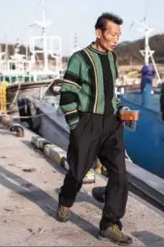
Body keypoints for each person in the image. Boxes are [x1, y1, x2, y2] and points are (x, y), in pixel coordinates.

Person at [57, 12, 133, 245]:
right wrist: (76, 126)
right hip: (87, 123)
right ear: (99, 33)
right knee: (78, 172)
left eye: (119, 35)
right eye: (112, 34)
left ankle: (109, 225)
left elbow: (110, 96)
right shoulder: (80, 58)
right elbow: (67, 92)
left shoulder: (113, 58)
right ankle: (65, 200)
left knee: (120, 174)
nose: (116, 39)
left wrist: (122, 110)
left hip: (112, 124)